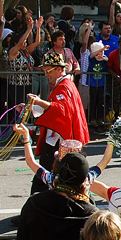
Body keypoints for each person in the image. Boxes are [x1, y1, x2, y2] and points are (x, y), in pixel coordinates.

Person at [25, 51, 89, 179]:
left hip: (59, 142)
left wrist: (38, 102)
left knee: (47, 179)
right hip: (58, 141)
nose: (46, 75)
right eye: (45, 71)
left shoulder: (64, 87)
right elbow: (52, 108)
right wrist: (30, 107)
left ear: (59, 69)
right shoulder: (63, 85)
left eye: (49, 71)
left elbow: (60, 110)